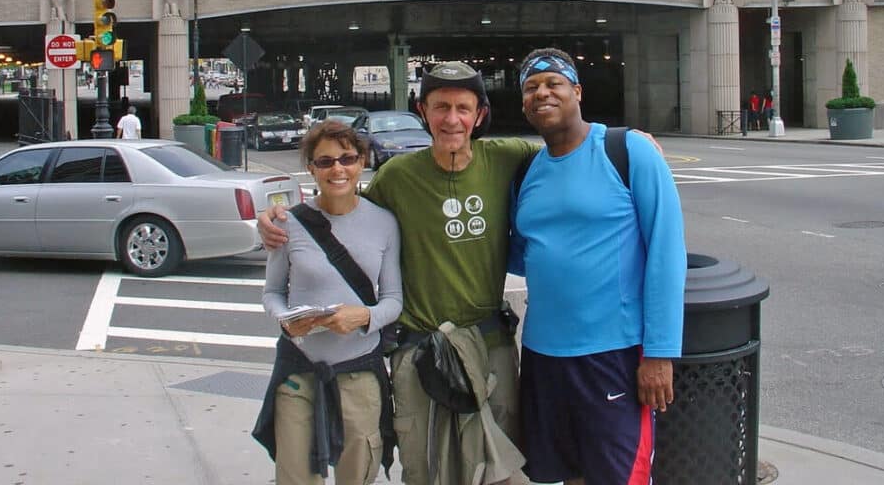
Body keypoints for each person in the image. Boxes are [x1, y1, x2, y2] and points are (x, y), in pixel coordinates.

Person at [260, 61, 533, 485]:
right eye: (441, 107)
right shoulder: (397, 176)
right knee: (422, 469)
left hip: (488, 346)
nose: (452, 119)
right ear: (423, 110)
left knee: (497, 471)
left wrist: (625, 141)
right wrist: (278, 218)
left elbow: (571, 144)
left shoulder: (506, 157)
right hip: (418, 352)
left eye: (463, 107)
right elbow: (345, 210)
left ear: (480, 114)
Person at [509, 48, 687, 485]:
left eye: (554, 83)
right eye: (531, 87)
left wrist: (661, 353)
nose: (542, 93)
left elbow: (667, 253)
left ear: (578, 91)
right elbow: (522, 253)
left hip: (615, 355)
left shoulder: (627, 151)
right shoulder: (527, 169)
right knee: (567, 475)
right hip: (543, 356)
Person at [252, 120, 402, 485]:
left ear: (362, 161)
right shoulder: (288, 224)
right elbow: (271, 292)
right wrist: (286, 319)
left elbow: (394, 300)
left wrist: (364, 316)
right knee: (295, 476)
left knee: (357, 473)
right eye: (325, 162)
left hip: (360, 372)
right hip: (299, 371)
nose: (338, 169)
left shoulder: (384, 223)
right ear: (311, 168)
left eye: (347, 159)